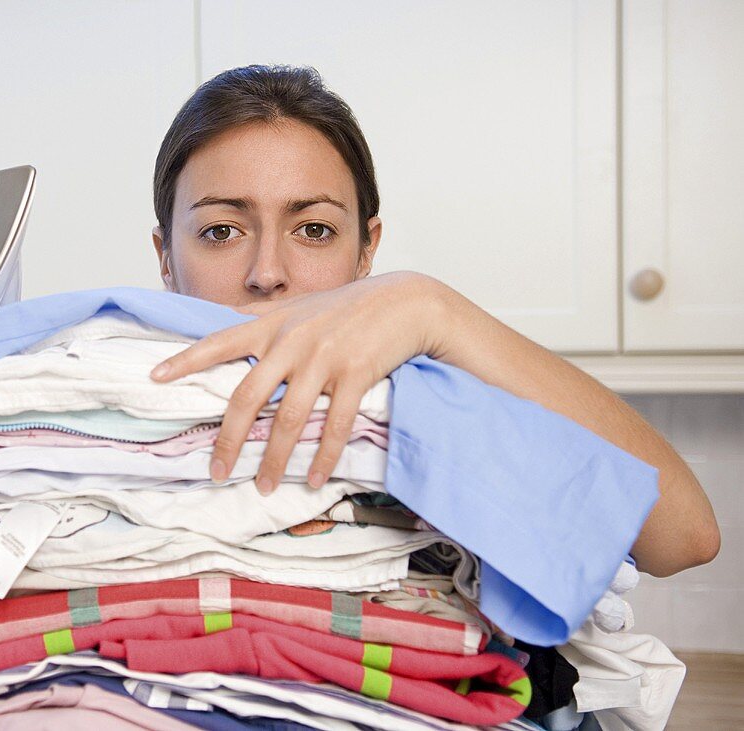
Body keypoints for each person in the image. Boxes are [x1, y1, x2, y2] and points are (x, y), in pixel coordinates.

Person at [147, 64, 719, 578]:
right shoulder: (80, 402)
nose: (267, 273)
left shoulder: (441, 410)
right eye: (221, 231)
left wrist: (433, 309)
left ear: (367, 251)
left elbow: (684, 539)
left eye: (314, 229)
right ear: (166, 258)